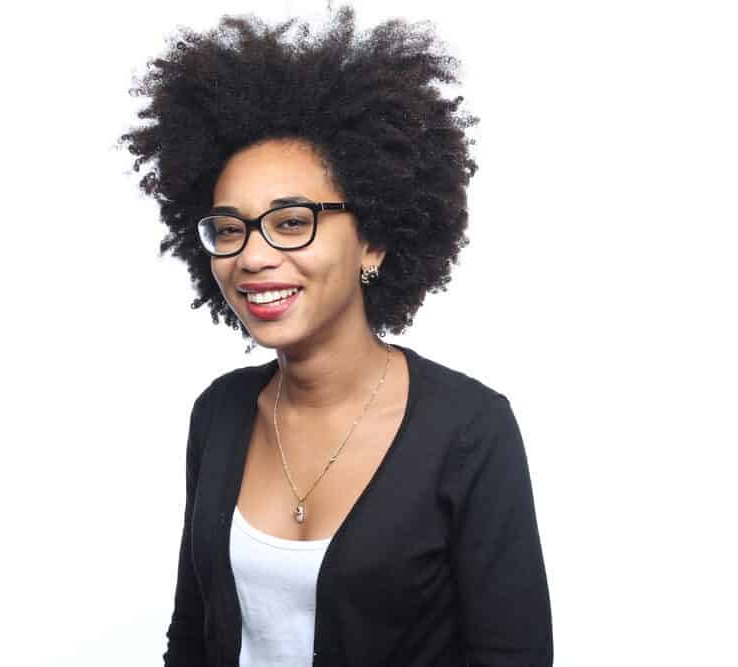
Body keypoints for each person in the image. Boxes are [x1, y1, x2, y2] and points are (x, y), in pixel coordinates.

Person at [117, 6, 552, 666]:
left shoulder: (470, 430)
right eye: (229, 229)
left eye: (292, 222)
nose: (253, 256)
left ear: (373, 239)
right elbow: (192, 637)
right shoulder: (220, 414)